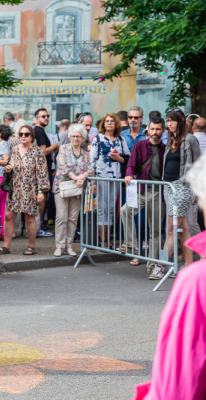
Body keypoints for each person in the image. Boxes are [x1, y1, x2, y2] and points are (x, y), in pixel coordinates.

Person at [132, 154, 206, 400]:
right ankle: (163, 263)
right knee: (173, 231)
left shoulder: (196, 281)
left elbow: (178, 377)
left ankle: (162, 264)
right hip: (172, 198)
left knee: (175, 231)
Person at [151, 109, 201, 279]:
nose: (169, 123)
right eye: (168, 120)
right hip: (169, 187)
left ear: (180, 121)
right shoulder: (170, 140)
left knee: (171, 229)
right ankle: (189, 266)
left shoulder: (190, 139)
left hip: (182, 188)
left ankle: (160, 266)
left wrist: (197, 191)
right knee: (183, 229)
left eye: (172, 120)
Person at [0, 125, 50, 256]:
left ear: (32, 136)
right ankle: (6, 246)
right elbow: (8, 165)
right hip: (14, 188)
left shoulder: (37, 152)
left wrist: (41, 191)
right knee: (8, 216)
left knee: (29, 218)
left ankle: (31, 246)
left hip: (30, 189)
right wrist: (8, 169)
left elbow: (43, 173)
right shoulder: (14, 149)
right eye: (21, 134)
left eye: (26, 134)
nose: (23, 137)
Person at [119, 117, 167, 267]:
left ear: (163, 131)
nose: (155, 132)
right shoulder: (139, 145)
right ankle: (131, 244)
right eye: (152, 129)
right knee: (124, 211)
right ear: (148, 130)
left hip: (159, 192)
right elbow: (131, 164)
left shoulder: (166, 149)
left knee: (155, 229)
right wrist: (128, 174)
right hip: (141, 190)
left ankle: (152, 264)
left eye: (158, 129)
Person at [89, 114, 130, 250]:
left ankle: (109, 238)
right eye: (107, 121)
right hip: (101, 177)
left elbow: (128, 159)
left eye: (112, 121)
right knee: (102, 208)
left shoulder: (121, 139)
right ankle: (102, 239)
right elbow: (92, 162)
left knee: (111, 208)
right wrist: (93, 182)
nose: (109, 123)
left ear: (116, 124)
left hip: (116, 178)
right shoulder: (98, 139)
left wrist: (119, 158)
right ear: (103, 124)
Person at [52, 124, 93, 256]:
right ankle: (59, 246)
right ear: (69, 136)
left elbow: (90, 169)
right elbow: (62, 167)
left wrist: (83, 176)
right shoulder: (63, 149)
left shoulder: (86, 154)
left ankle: (69, 246)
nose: (75, 138)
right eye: (73, 136)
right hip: (62, 187)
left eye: (78, 136)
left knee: (73, 218)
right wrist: (77, 177)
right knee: (61, 217)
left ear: (83, 138)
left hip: (77, 189)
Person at [33, 108, 57, 237]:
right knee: (42, 198)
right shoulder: (39, 131)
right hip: (42, 169)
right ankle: (40, 225)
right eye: (43, 116)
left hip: (43, 169)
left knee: (43, 197)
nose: (46, 118)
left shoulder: (39, 131)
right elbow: (43, 151)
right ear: (36, 119)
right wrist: (56, 145)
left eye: (47, 116)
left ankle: (39, 225)